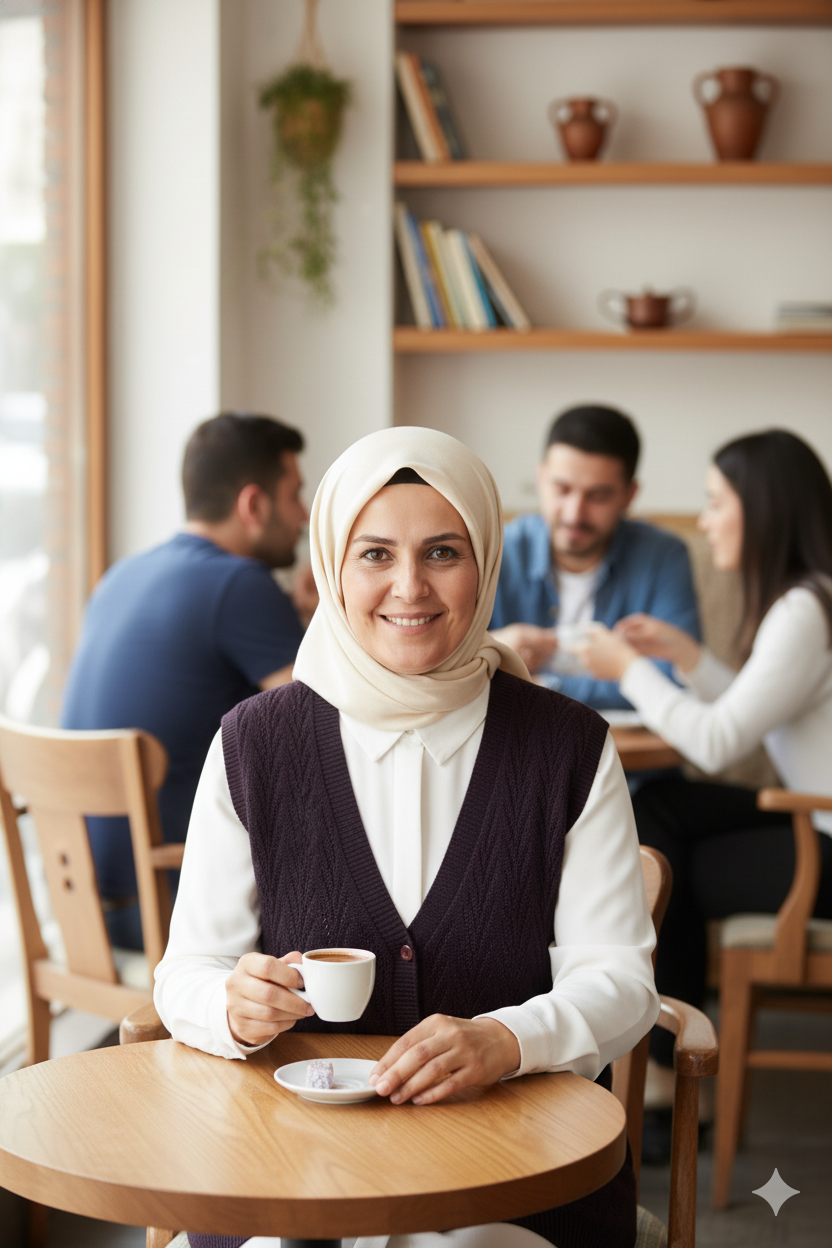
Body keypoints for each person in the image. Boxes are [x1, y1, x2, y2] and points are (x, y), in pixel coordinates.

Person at [155, 425, 660, 1248]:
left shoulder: (568, 746)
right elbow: (186, 973)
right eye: (376, 554)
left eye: (444, 552)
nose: (409, 588)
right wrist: (230, 1003)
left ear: (488, 561)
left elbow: (622, 979)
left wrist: (506, 1039)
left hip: (510, 1178)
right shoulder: (254, 742)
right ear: (330, 566)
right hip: (287, 1177)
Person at [577, 428, 832, 1075]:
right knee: (663, 812)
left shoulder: (804, 609)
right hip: (815, 816)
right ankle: (665, 1063)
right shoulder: (808, 598)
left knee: (666, 868)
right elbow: (748, 712)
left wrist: (629, 667)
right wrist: (684, 656)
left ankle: (669, 1066)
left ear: (763, 508)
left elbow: (716, 743)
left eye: (717, 502)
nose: (706, 519)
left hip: (824, 839)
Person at [62, 412, 314, 950]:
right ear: (253, 504)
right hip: (167, 909)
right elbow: (323, 725)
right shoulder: (241, 583)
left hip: (79, 905)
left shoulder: (120, 574)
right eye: (295, 494)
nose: (304, 515)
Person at [490, 405, 700, 710]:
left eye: (598, 496)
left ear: (629, 495)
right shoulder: (498, 550)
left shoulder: (664, 557)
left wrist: (542, 686)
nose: (575, 514)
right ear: (540, 478)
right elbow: (447, 667)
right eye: (562, 489)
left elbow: (674, 679)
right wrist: (495, 648)